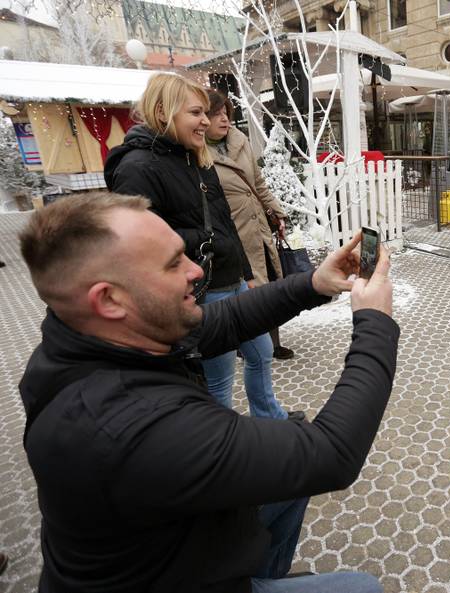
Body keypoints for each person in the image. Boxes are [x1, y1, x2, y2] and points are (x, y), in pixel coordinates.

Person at [18, 192, 398, 593]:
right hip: (170, 580)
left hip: (177, 541)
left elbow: (222, 321)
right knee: (362, 587)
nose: (196, 270)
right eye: (172, 264)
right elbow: (332, 455)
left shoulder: (93, 333)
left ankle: (261, 575)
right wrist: (375, 323)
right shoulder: (128, 426)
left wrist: (313, 284)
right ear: (109, 298)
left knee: (290, 478)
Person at [104, 73, 288, 419]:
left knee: (262, 353)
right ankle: (221, 442)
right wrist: (205, 240)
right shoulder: (137, 168)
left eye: (206, 112)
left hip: (233, 280)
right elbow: (139, 245)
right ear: (163, 112)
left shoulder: (195, 157)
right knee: (219, 379)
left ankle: (269, 419)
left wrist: (246, 273)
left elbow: (224, 223)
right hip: (200, 290)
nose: (205, 121)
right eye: (195, 112)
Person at [205, 90, 294, 360]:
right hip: (233, 234)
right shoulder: (197, 153)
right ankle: (249, 345)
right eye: (216, 114)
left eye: (226, 113)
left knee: (269, 286)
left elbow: (258, 184)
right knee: (246, 293)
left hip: (259, 229)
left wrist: (278, 213)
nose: (224, 119)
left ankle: (273, 343)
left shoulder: (240, 140)